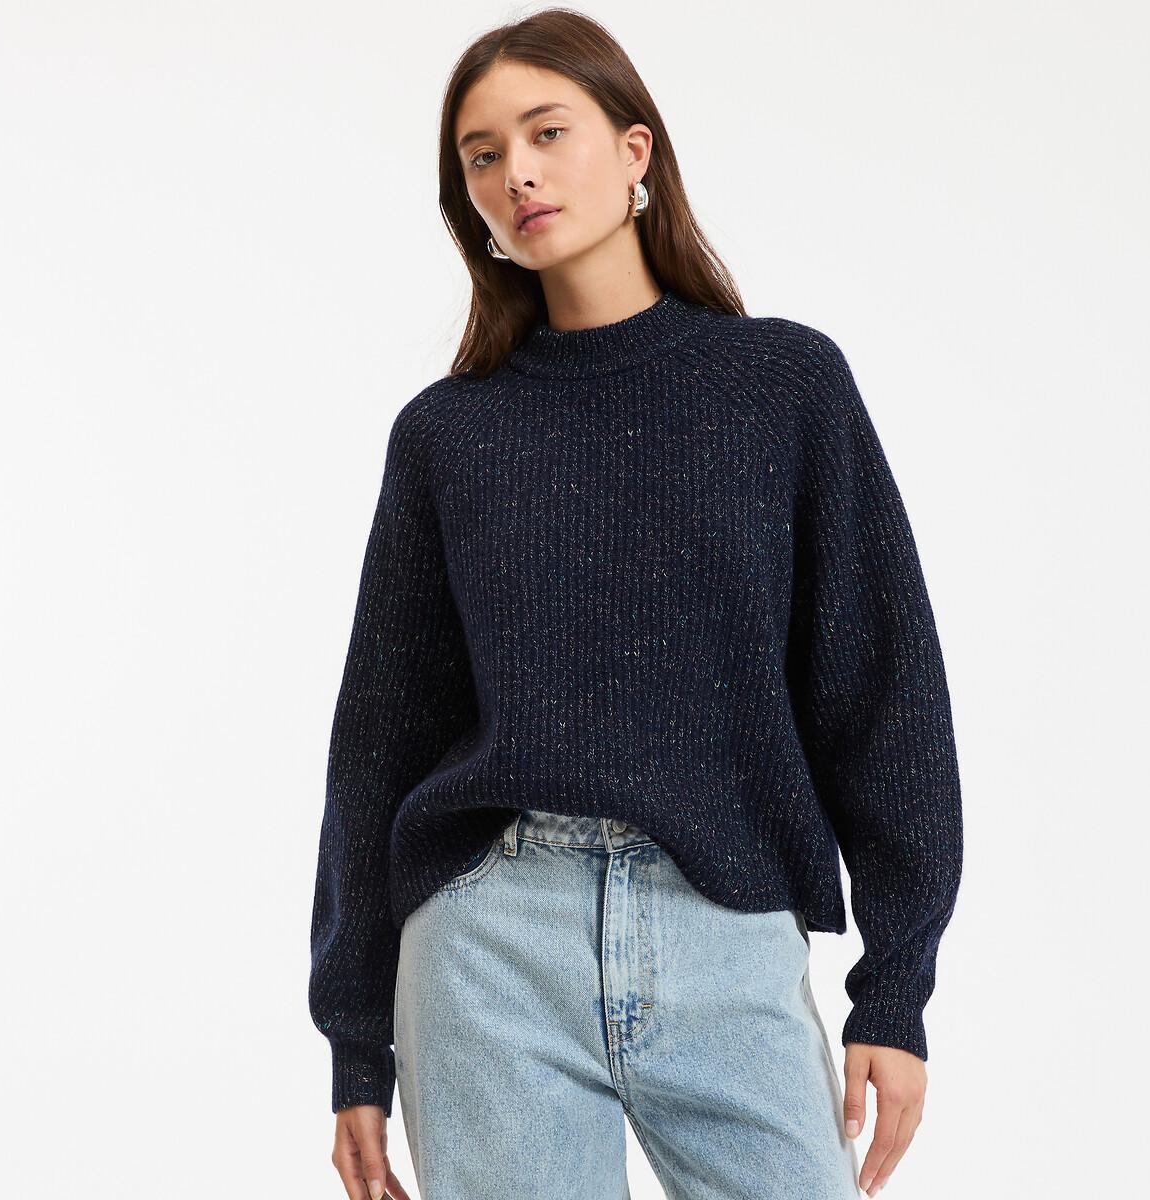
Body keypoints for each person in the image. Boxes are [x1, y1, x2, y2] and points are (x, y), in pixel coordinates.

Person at [308, 10, 963, 1200]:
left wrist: (897, 989)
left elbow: (882, 687)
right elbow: (379, 741)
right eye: (482, 156)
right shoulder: (449, 434)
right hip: (488, 945)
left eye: (547, 132)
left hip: (725, 922)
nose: (518, 173)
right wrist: (357, 1047)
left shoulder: (783, 386)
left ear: (635, 151)